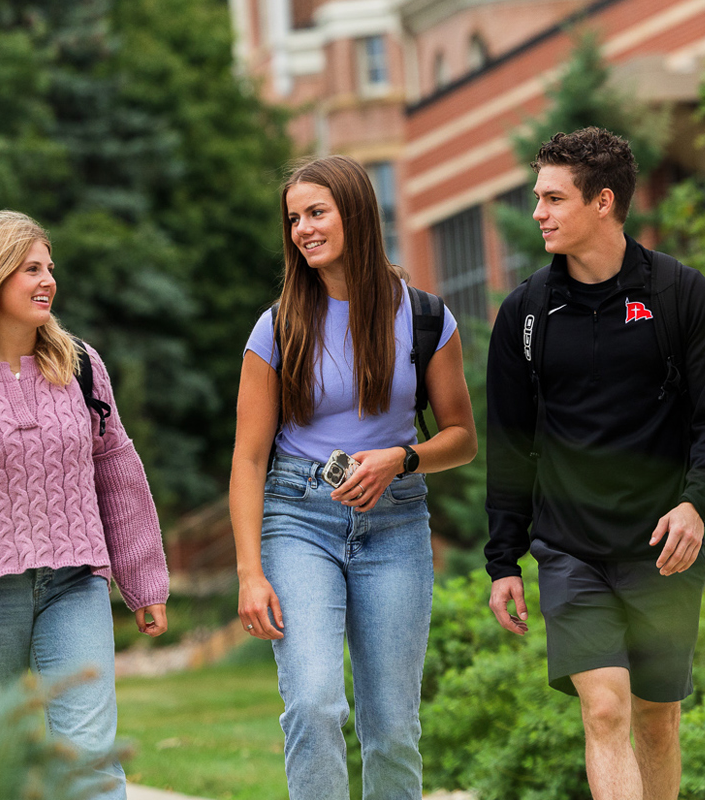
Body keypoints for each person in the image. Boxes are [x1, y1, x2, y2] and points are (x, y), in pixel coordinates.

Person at [484, 128, 705, 800]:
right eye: (536, 197)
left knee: (657, 720)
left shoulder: (681, 296)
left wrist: (697, 505)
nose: (538, 211)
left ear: (603, 202)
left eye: (552, 197)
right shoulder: (527, 315)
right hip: (571, 550)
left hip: (663, 550)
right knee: (604, 709)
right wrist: (504, 560)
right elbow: (511, 443)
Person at [0, 210, 170, 800]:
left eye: (49, 269)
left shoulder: (82, 368)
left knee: (90, 758)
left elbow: (117, 473)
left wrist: (143, 581)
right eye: (29, 269)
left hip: (75, 587)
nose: (47, 281)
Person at [231, 155, 478, 799]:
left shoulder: (424, 318)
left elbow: (461, 438)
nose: (303, 230)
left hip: (395, 523)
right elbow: (249, 458)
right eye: (293, 218)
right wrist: (249, 572)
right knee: (313, 706)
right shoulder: (278, 326)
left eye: (317, 212)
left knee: (393, 729)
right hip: (298, 519)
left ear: (357, 214)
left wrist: (403, 456)